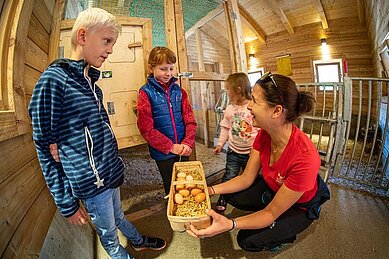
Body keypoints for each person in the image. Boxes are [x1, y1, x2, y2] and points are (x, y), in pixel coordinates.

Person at [28, 8, 166, 259]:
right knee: (109, 233)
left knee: (119, 215)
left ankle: (136, 240)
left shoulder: (91, 83)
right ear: (82, 36)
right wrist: (67, 204)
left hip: (109, 173)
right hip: (92, 183)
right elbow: (43, 148)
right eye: (107, 41)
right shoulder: (54, 80)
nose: (111, 49)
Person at [188, 72, 330, 252]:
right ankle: (272, 207)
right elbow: (246, 178)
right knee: (231, 193)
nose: (249, 106)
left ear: (277, 111)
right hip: (275, 188)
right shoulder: (264, 134)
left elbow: (270, 213)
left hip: (300, 206)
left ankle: (285, 232)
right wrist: (209, 190)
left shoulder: (305, 158)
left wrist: (229, 224)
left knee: (247, 240)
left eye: (254, 101)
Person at [137, 46, 197, 195]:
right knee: (171, 185)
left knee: (186, 182)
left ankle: (186, 214)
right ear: (151, 68)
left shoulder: (180, 92)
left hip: (183, 148)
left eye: (171, 68)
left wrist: (187, 143)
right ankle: (172, 214)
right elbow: (146, 129)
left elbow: (190, 121)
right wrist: (170, 147)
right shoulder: (145, 93)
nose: (168, 73)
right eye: (163, 69)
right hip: (163, 152)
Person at [213, 72, 259, 213]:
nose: (227, 93)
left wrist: (257, 149)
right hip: (233, 150)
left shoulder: (252, 107)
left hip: (251, 152)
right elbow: (225, 127)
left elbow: (260, 130)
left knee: (251, 177)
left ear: (238, 89)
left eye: (229, 90)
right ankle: (223, 197)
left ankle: (248, 199)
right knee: (230, 174)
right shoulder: (230, 108)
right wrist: (220, 143)